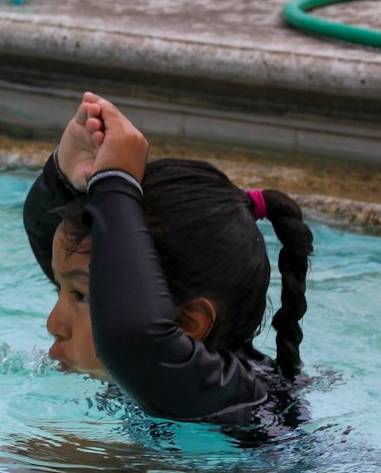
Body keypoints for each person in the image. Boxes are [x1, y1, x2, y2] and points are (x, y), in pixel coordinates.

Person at [23, 93, 316, 427]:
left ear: (187, 324)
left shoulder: (223, 392)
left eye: (80, 295)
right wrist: (65, 175)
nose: (52, 324)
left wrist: (116, 182)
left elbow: (132, 335)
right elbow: (63, 250)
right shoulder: (167, 377)